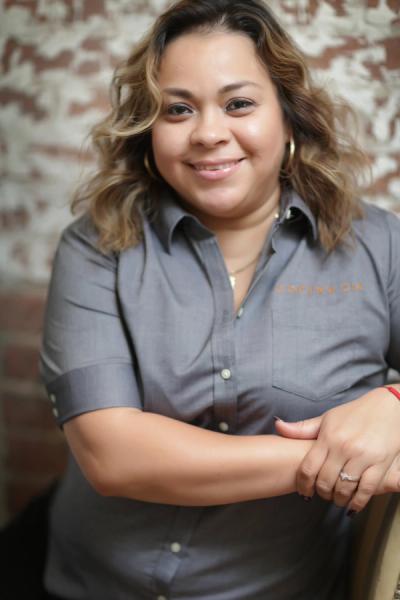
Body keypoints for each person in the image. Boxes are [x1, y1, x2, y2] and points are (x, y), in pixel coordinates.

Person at [39, 1, 400, 598]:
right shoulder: (97, 244)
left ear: (289, 117)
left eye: (238, 104)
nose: (208, 133)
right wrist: (344, 459)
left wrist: (394, 406)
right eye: (177, 109)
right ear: (148, 129)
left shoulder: (380, 248)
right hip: (93, 585)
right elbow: (111, 455)